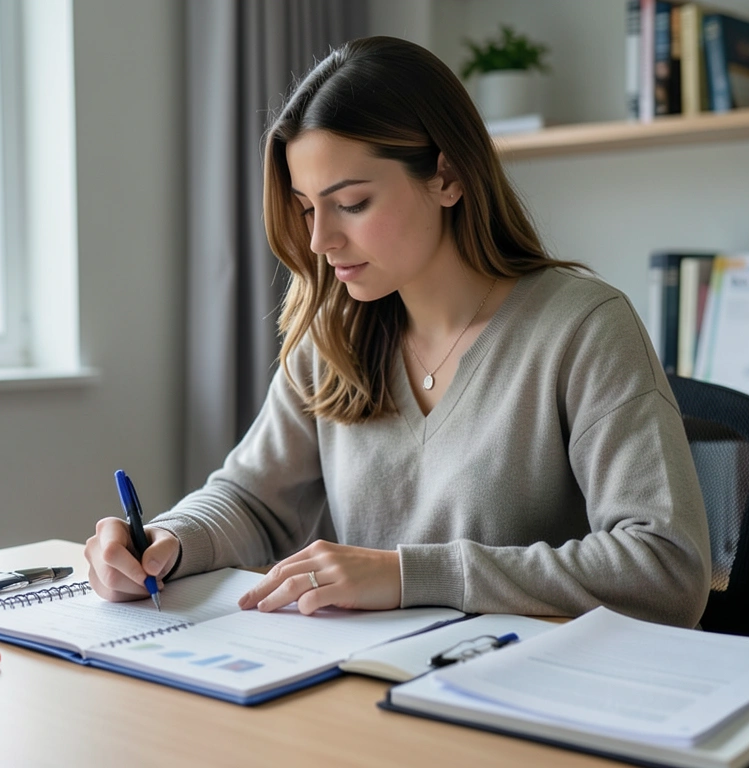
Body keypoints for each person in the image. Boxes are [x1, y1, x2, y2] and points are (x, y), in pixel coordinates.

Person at [85, 36, 712, 627]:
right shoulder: (331, 337)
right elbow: (252, 501)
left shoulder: (583, 329)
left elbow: (667, 567)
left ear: (446, 177)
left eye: (352, 203)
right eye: (307, 209)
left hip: (532, 706)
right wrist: (167, 539)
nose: (319, 240)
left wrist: (414, 576)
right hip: (373, 693)